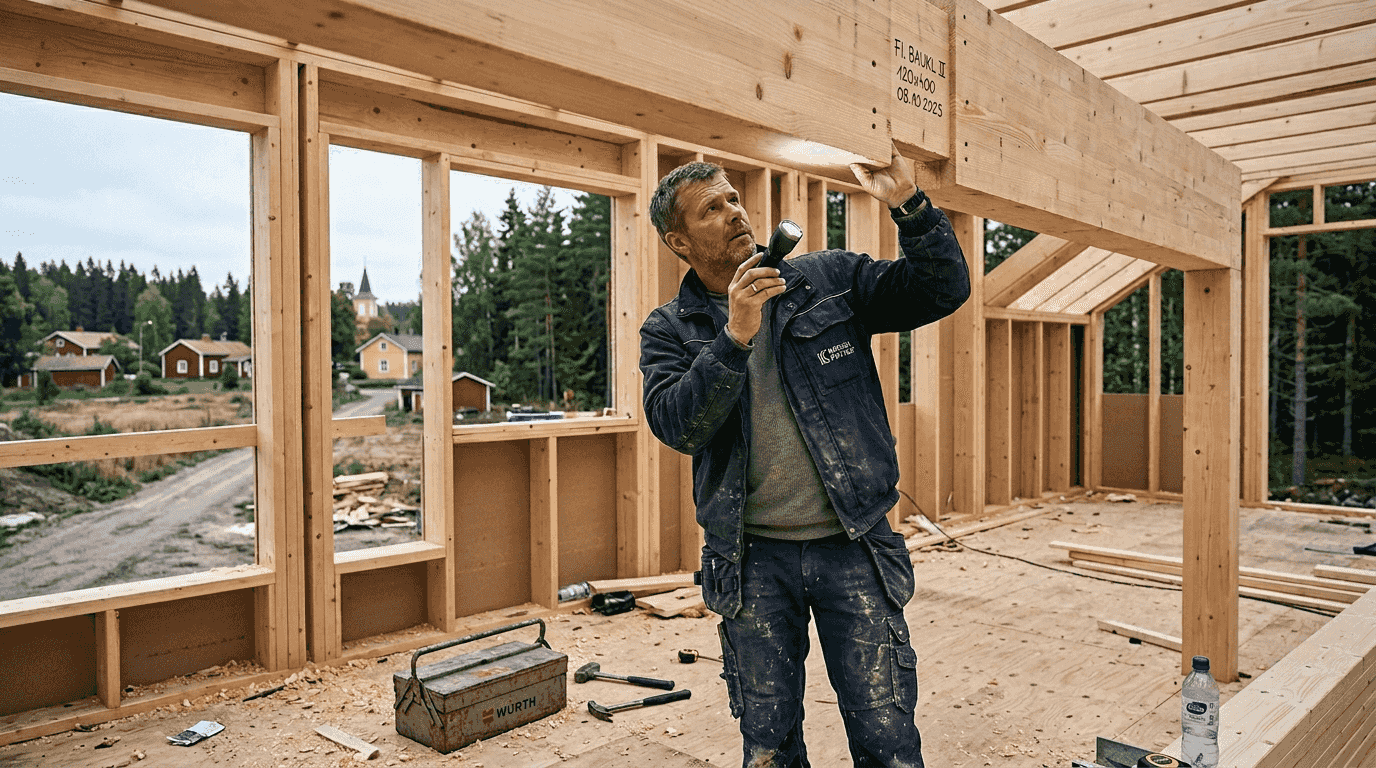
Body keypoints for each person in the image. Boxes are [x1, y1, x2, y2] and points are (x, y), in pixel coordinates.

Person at [639, 143, 969, 768]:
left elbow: (941, 287)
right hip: (752, 559)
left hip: (855, 543)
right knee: (771, 744)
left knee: (887, 737)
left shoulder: (828, 281)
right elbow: (679, 426)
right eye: (712, 209)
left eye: (734, 198)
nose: (736, 213)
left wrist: (908, 203)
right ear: (679, 242)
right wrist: (735, 336)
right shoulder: (670, 329)